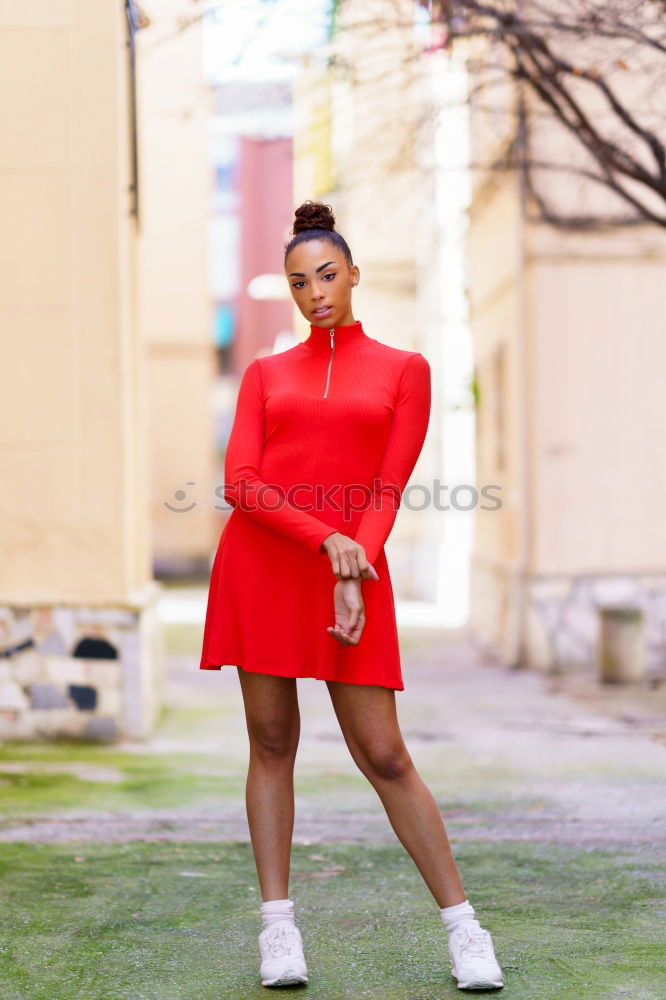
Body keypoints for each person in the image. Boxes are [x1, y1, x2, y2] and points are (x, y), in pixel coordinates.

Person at [199, 200, 503, 991]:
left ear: (354, 274)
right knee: (271, 744)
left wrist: (350, 567)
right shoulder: (266, 374)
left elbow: (386, 485)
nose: (316, 293)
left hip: (352, 577)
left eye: (328, 275)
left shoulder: (406, 370)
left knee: (386, 754)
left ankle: (466, 929)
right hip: (264, 569)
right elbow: (242, 484)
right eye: (300, 283)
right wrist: (328, 543)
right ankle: (278, 931)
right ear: (290, 292)